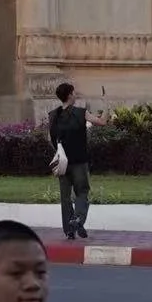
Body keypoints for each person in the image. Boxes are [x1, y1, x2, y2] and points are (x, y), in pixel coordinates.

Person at [47, 82, 91, 240]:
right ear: (70, 95)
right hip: (79, 160)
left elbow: (51, 138)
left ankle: (69, 230)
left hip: (63, 162)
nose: (75, 94)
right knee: (82, 191)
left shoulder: (53, 115)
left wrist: (59, 152)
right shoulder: (80, 113)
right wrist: (106, 111)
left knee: (65, 197)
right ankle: (78, 219)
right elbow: (101, 122)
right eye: (74, 92)